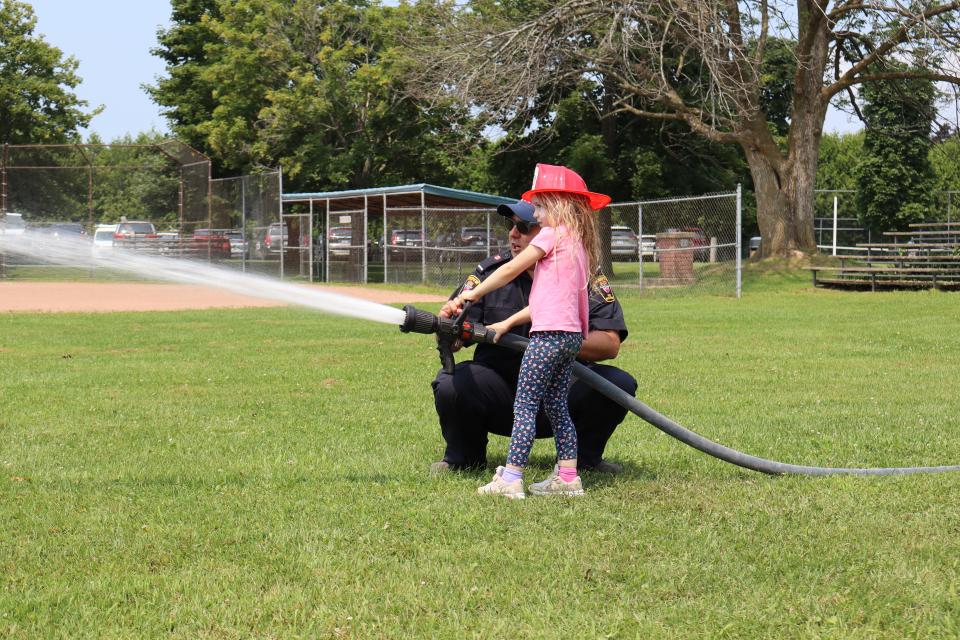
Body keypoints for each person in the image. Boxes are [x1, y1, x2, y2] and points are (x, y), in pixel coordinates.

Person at [445, 163, 634, 498]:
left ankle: (512, 477)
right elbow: (557, 301)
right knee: (557, 406)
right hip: (569, 338)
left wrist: (472, 293)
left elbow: (511, 269)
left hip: (546, 339)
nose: (533, 215)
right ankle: (568, 477)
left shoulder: (550, 235)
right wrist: (507, 323)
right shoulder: (578, 247)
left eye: (539, 207)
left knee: (526, 405)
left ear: (559, 205)